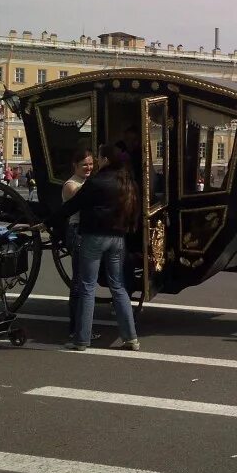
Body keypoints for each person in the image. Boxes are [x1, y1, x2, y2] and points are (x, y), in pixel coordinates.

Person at [43, 144, 140, 352]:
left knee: (87, 287)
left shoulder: (96, 182)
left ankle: (81, 339)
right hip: (118, 238)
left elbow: (72, 206)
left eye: (99, 158)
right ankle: (131, 338)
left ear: (105, 160)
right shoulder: (127, 182)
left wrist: (48, 221)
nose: (96, 161)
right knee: (119, 286)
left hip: (94, 236)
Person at [62, 149, 94, 339]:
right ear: (75, 166)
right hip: (77, 232)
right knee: (79, 283)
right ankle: (76, 328)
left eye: (90, 164)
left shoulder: (85, 182)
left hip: (87, 233)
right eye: (85, 165)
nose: (89, 167)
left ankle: (82, 327)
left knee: (84, 282)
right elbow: (86, 203)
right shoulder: (71, 185)